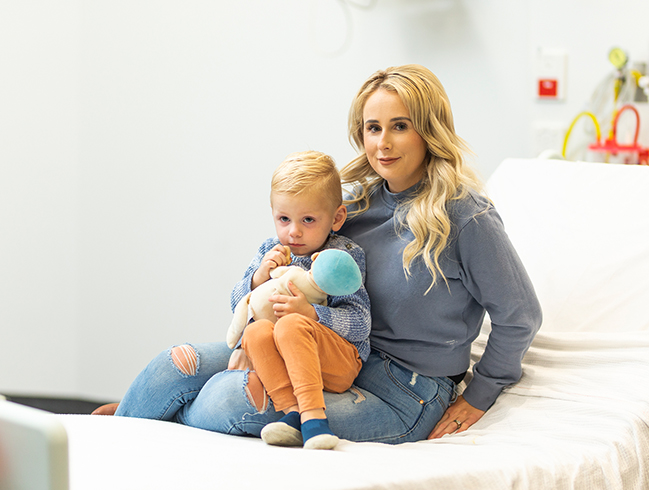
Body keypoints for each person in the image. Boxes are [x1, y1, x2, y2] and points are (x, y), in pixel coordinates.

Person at [94, 64, 541, 444]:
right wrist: (263, 330)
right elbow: (290, 281)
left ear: (429, 129)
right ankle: (126, 433)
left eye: (400, 126)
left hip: (406, 391)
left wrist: (478, 395)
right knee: (176, 366)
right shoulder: (354, 208)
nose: (383, 143)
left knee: (224, 398)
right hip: (328, 350)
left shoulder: (465, 217)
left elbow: (520, 316)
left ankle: (146, 426)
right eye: (373, 128)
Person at [231, 151, 370, 450]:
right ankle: (290, 412)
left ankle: (314, 419)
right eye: (284, 218)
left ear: (336, 218)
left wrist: (311, 313)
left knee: (292, 324)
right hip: (286, 359)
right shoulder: (271, 250)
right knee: (255, 332)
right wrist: (258, 277)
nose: (293, 231)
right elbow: (239, 308)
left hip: (338, 362)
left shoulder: (342, 256)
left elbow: (361, 323)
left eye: (308, 219)